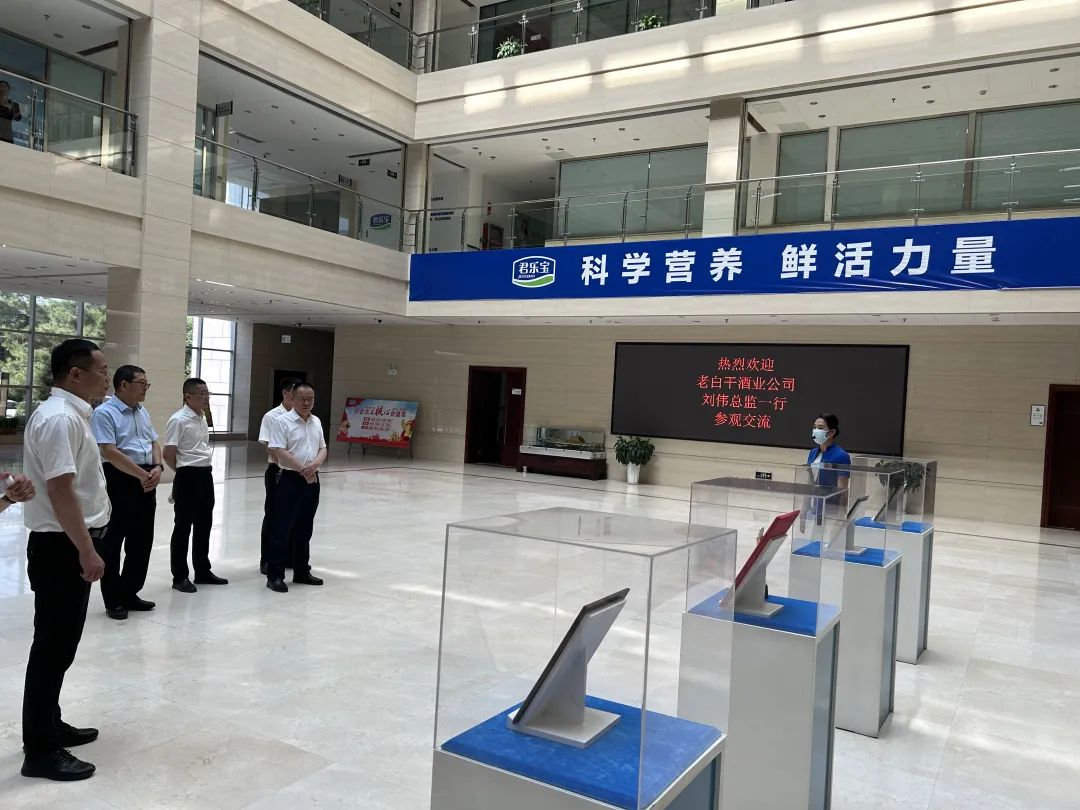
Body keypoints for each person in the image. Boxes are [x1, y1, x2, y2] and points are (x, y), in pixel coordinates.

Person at [20, 338, 109, 781]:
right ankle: (39, 751)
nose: (107, 378)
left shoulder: (72, 415)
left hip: (66, 544)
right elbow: (60, 490)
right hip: (62, 548)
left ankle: (50, 723)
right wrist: (86, 550)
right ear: (75, 374)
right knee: (52, 649)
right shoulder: (59, 418)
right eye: (102, 371)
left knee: (60, 647)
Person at [90, 365, 163, 620]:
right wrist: (142, 475)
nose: (145, 388)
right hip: (119, 479)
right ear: (123, 385)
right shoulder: (104, 413)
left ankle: (130, 592)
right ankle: (113, 599)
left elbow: (154, 442)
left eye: (146, 383)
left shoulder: (142, 411)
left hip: (147, 476)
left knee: (141, 541)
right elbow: (109, 451)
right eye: (141, 383)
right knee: (113, 542)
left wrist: (157, 467)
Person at [163, 378, 227, 593]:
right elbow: (168, 454)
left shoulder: (201, 417)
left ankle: (202, 570)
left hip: (205, 474)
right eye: (202, 394)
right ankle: (180, 576)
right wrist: (182, 471)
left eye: (207, 393)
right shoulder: (178, 420)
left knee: (204, 524)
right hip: (187, 475)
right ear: (187, 396)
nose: (206, 397)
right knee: (183, 527)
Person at [265, 383, 326, 593]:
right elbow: (278, 450)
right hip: (290, 479)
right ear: (293, 398)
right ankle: (275, 575)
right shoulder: (282, 421)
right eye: (302, 399)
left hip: (312, 480)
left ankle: (301, 571)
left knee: (305, 527)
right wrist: (303, 469)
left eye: (311, 399)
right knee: (281, 528)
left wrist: (315, 465)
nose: (307, 403)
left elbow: (323, 448)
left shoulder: (316, 421)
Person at [258, 377, 300, 576]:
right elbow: (270, 446)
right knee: (274, 515)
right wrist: (290, 463)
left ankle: (290, 557)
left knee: (295, 515)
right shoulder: (272, 416)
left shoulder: (304, 416)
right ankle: (267, 560)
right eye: (295, 394)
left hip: (298, 472)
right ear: (285, 393)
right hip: (278, 470)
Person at [0, 80, 23, 145]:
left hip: (6, 135)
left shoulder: (13, 104)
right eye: (1, 86)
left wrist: (13, 109)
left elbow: (18, 118)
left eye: (5, 86)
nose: (3, 88)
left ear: (9, 90)